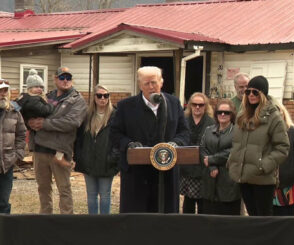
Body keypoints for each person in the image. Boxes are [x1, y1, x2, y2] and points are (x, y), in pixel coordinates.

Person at [110, 66, 189, 213]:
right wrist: (129, 144)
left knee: (165, 217)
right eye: (146, 83)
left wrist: (175, 144)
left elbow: (184, 132)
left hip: (166, 171)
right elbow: (115, 133)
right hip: (137, 174)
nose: (151, 87)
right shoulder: (126, 106)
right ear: (140, 85)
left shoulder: (172, 103)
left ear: (162, 82)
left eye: (154, 82)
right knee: (137, 218)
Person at [227, 75, 290, 216]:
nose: (250, 95)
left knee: (263, 218)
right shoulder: (242, 115)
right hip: (244, 175)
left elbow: (282, 147)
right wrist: (232, 161)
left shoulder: (274, 116)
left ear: (262, 94)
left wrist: (263, 165)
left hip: (262, 178)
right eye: (248, 91)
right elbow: (237, 143)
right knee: (251, 216)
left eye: (255, 92)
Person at [28, 67, 87, 214]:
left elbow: (72, 122)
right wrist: (30, 122)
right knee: (43, 188)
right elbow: (31, 113)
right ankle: (45, 219)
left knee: (64, 189)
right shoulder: (46, 97)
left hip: (59, 152)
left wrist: (45, 123)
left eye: (68, 77)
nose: (65, 80)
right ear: (55, 79)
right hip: (40, 149)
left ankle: (66, 222)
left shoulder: (77, 100)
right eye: (62, 77)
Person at [74, 84, 119, 214]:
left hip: (106, 162)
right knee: (91, 195)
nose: (102, 98)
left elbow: (118, 139)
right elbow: (79, 139)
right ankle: (92, 222)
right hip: (88, 161)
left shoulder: (115, 116)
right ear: (94, 97)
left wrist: (113, 157)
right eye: (99, 95)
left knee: (105, 195)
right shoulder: (87, 115)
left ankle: (105, 224)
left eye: (106, 95)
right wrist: (79, 157)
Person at [15, 69, 70, 167]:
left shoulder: (22, 97)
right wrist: (52, 105)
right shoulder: (34, 99)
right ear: (29, 88)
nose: (39, 89)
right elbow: (44, 111)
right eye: (36, 87)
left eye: (41, 87)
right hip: (38, 129)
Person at [200, 99, 241, 215]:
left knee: (228, 219)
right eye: (220, 112)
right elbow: (203, 149)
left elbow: (234, 151)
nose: (222, 114)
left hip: (229, 182)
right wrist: (212, 166)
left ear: (232, 114)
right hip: (210, 181)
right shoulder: (208, 130)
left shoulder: (238, 131)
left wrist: (213, 159)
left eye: (226, 112)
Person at [180, 92, 215, 214]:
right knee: (188, 201)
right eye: (194, 104)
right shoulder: (183, 121)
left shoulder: (211, 123)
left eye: (201, 104)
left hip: (203, 167)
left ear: (205, 106)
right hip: (187, 167)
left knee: (203, 202)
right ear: (190, 105)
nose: (197, 107)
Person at [272, 103, 294, 216]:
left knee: (288, 215)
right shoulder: (265, 133)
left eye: (279, 112)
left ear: (283, 113)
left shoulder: (292, 131)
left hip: (288, 182)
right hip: (269, 182)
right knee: (270, 215)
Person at [0, 78, 26, 213]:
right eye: (0, 91)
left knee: (3, 202)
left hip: (6, 164)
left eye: (5, 91)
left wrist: (18, 155)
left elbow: (22, 134)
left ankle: (3, 232)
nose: (3, 94)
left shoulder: (15, 111)